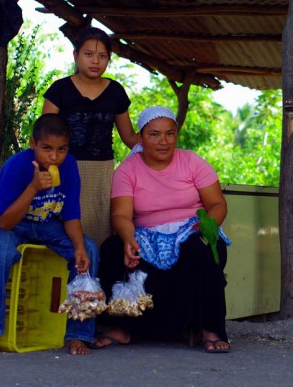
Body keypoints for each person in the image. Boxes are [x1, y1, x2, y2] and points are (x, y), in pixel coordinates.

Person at [95, 106, 231, 353]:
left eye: (170, 134)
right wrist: (127, 238)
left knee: (201, 249)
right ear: (140, 137)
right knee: (113, 249)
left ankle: (211, 328)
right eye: (154, 134)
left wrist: (206, 227)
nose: (164, 141)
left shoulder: (192, 162)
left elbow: (217, 204)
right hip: (146, 234)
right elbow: (121, 215)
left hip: (191, 229)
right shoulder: (127, 170)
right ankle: (120, 327)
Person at [0, 114, 99, 355]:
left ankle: (78, 334)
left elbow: (70, 215)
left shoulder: (69, 166)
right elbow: (5, 222)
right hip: (9, 223)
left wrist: (79, 248)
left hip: (45, 223)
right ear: (33, 144)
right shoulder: (16, 166)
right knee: (1, 251)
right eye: (47, 148)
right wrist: (33, 187)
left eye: (61, 149)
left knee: (89, 250)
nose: (54, 157)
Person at [42, 26, 137, 247]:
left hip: (103, 173)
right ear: (75, 55)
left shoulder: (116, 92)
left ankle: (97, 270)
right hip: (65, 169)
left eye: (102, 56)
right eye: (89, 54)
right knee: (67, 233)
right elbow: (45, 137)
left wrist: (160, 139)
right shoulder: (60, 89)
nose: (95, 61)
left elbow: (130, 138)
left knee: (101, 234)